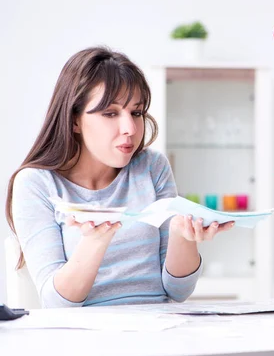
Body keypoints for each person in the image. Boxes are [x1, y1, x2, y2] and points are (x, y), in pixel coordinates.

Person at [6, 47, 235, 308]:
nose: (130, 129)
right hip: (86, 339)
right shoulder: (36, 183)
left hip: (162, 331)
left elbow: (178, 291)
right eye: (110, 113)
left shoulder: (152, 167)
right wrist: (95, 240)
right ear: (74, 120)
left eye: (136, 113)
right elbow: (57, 304)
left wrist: (181, 234)